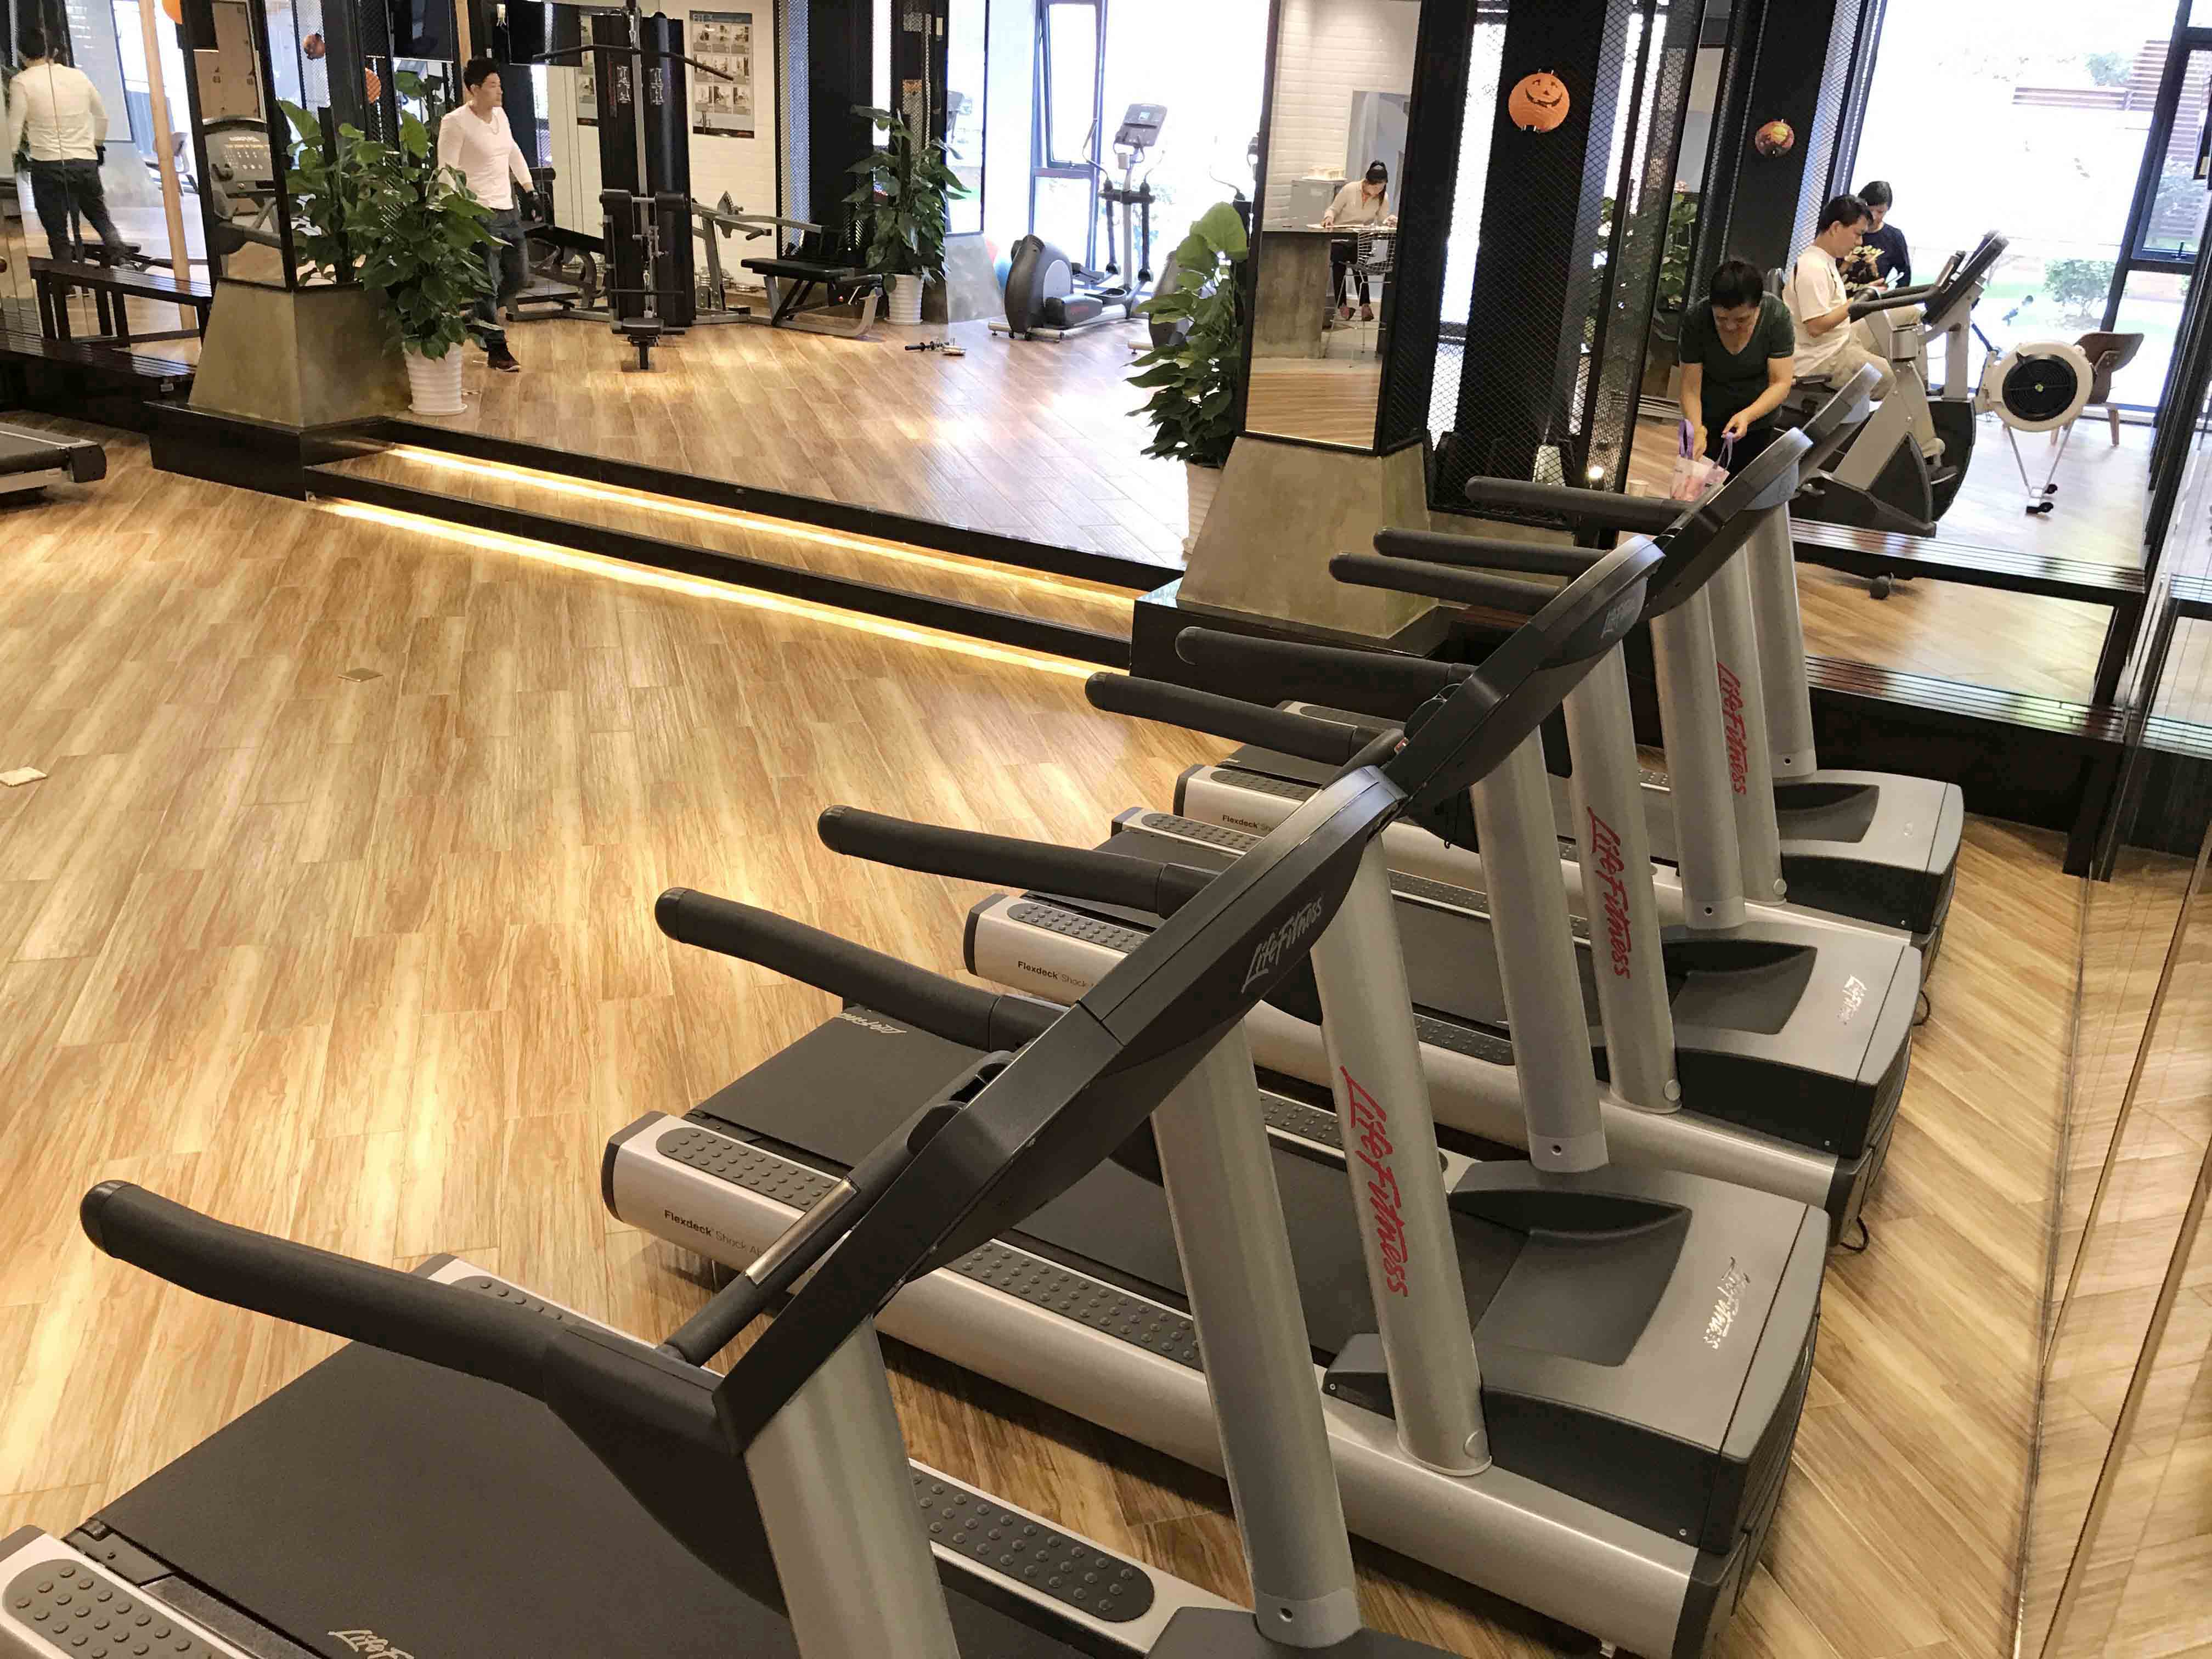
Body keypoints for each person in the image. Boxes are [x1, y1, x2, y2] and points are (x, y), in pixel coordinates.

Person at [437, 58, 536, 374]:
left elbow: (512, 151)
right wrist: (453, 212)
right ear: (474, 89)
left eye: (500, 85)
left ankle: (477, 318)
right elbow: (446, 171)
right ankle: (497, 350)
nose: (500, 91)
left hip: (508, 210)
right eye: (493, 86)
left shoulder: (501, 116)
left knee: (519, 277)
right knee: (487, 285)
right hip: (477, 212)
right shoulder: (455, 123)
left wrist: (529, 189)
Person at [4, 31, 128, 262]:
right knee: (100, 217)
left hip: (48, 166)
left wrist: (8, 160)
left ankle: (66, 275)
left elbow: (15, 127)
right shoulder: (78, 76)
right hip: (85, 162)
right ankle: (121, 257)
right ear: (53, 52)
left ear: (21, 54)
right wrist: (97, 145)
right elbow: (102, 117)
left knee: (57, 231)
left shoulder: (22, 82)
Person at [1677, 257, 1797, 467]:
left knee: (1745, 483)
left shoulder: (1776, 316)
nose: (1730, 327)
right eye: (1721, 319)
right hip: (1708, 418)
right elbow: (1690, 388)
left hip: (1758, 420)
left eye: (1742, 320)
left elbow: (1781, 382)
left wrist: (1748, 416)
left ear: (1758, 307)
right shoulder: (1696, 319)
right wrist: (1697, 429)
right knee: (1696, 483)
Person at [1785, 194, 1894, 398]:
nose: (1860, 242)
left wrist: (1865, 293)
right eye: (1857, 234)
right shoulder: (1813, 267)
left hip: (1842, 337)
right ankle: (1918, 402)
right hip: (1823, 356)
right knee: (1896, 380)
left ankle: (1926, 395)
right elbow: (1816, 327)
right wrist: (1857, 299)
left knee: (1909, 315)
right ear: (1836, 228)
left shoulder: (1826, 260)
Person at [1320, 161, 1395, 323]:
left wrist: (1390, 221)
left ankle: (1354, 306)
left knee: (1357, 260)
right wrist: (1329, 218)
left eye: (1382, 188)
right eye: (1376, 188)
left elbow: (1382, 219)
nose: (1378, 192)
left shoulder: (1382, 197)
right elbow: (1333, 209)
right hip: (1340, 237)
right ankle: (1353, 306)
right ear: (1367, 183)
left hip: (1361, 240)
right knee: (1341, 259)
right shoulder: (1350, 189)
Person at [1842, 179, 1910, 289]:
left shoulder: (1894, 237)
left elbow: (1905, 276)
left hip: (1871, 298)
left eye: (1880, 212)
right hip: (1836, 297)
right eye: (1869, 210)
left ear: (1887, 210)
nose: (1873, 217)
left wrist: (1891, 297)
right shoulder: (1844, 228)